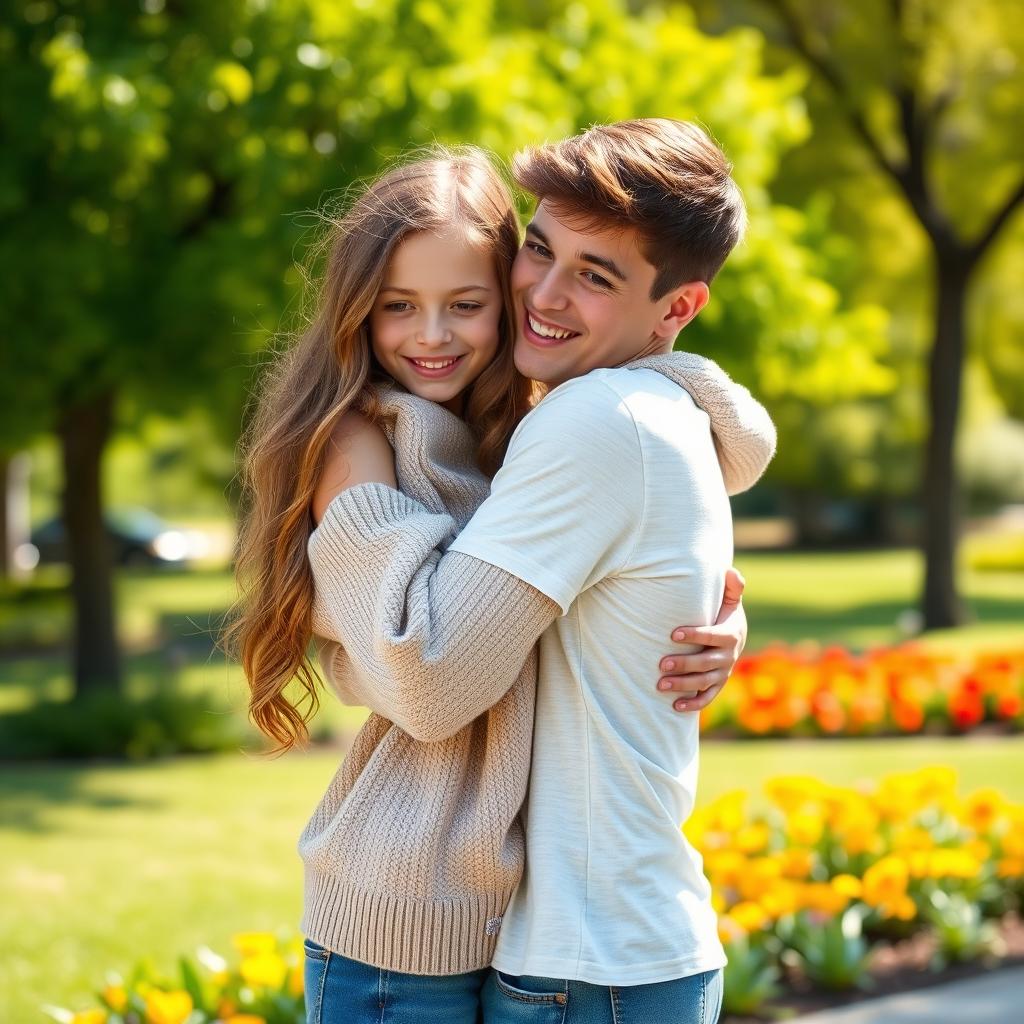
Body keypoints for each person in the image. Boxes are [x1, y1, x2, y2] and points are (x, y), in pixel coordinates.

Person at [233, 141, 771, 1024]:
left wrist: (708, 610)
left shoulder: (562, 420)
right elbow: (431, 670)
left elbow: (432, 664)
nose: (547, 295)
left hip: (533, 927)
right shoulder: (368, 437)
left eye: (594, 276)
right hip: (404, 901)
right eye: (541, 249)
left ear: (677, 308)